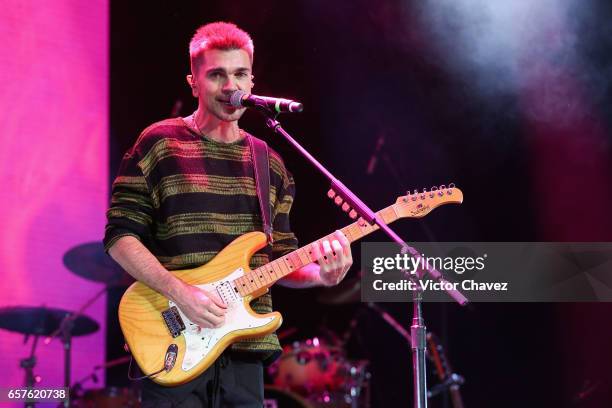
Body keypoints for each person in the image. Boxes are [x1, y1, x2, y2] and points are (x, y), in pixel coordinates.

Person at [104, 21, 353, 407]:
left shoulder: (269, 164)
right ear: (193, 83)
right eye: (216, 74)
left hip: (245, 353)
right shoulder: (159, 143)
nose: (230, 86)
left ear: (252, 83)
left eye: (239, 74)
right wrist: (179, 292)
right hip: (174, 342)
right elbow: (120, 236)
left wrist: (321, 274)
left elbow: (281, 260)